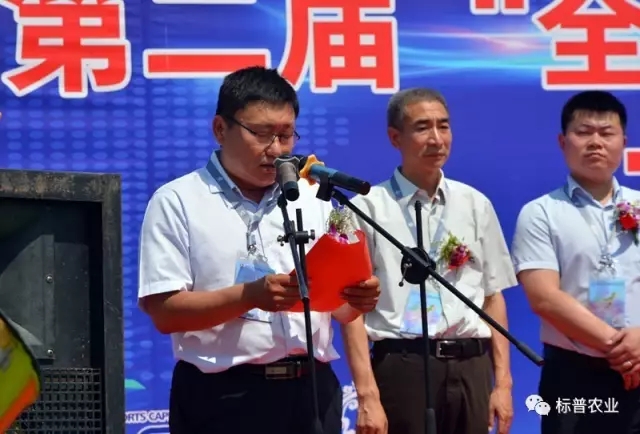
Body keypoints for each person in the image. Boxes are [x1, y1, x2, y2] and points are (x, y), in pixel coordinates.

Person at [137, 66, 384, 434]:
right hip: (222, 399)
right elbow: (164, 312)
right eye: (262, 134)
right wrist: (249, 296)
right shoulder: (178, 201)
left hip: (313, 394)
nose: (277, 150)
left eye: (286, 135)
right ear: (221, 129)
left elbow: (338, 309)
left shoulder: (312, 199)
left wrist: (356, 299)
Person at [341, 88, 516, 434]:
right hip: (403, 366)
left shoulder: (475, 204)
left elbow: (492, 296)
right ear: (395, 137)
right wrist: (367, 395)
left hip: (471, 365)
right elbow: (351, 311)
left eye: (443, 126)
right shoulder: (367, 208)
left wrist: (503, 383)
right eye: (422, 127)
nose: (436, 138)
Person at [511, 90, 640, 434]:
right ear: (563, 141)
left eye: (606, 133)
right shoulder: (541, 213)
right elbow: (544, 297)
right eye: (583, 132)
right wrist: (621, 350)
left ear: (623, 142)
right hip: (574, 374)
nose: (595, 142)